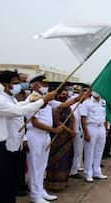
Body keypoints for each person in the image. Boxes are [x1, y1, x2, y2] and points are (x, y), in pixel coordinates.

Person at [0, 70, 56, 203]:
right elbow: (17, 111)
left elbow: (15, 106)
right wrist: (43, 100)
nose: (2, 87)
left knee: (4, 183)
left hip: (1, 146)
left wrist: (30, 100)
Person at [26, 74, 81, 203]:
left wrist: (78, 98)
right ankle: (35, 195)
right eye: (43, 84)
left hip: (44, 136)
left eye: (46, 85)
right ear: (35, 85)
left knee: (42, 165)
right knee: (35, 166)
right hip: (35, 135)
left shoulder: (47, 99)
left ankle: (40, 190)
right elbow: (34, 122)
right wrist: (53, 130)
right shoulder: (32, 99)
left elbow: (63, 105)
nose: (46, 87)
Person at [45, 89, 76, 190]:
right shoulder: (56, 108)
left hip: (68, 138)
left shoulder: (69, 109)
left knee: (66, 160)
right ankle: (53, 184)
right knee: (56, 161)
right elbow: (57, 122)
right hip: (58, 137)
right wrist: (68, 130)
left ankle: (63, 182)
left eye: (66, 95)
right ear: (58, 95)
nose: (64, 96)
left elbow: (72, 120)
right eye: (63, 94)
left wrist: (72, 131)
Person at [80, 90, 107, 182]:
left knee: (99, 151)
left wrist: (106, 129)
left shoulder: (103, 102)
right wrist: (86, 132)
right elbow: (83, 118)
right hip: (91, 127)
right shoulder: (86, 103)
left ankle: (97, 171)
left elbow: (105, 116)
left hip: (101, 128)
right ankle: (88, 173)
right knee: (89, 151)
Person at [70, 87, 86, 178]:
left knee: (78, 152)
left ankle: (75, 169)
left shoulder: (80, 104)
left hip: (78, 131)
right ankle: (73, 171)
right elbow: (74, 118)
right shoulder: (74, 104)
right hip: (74, 131)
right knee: (76, 152)